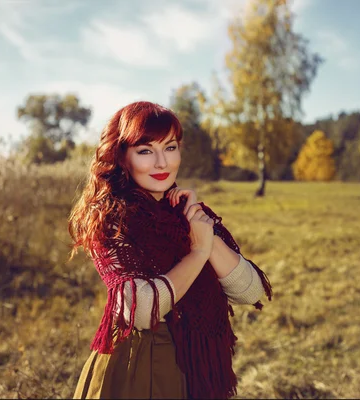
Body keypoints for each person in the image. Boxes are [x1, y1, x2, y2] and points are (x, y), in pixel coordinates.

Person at [68, 101, 272, 399]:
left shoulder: (185, 212)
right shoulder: (111, 217)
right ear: (122, 156)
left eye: (171, 147)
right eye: (146, 151)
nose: (162, 163)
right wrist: (198, 253)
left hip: (196, 365)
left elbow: (250, 292)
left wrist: (201, 228)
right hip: (141, 367)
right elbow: (139, 310)